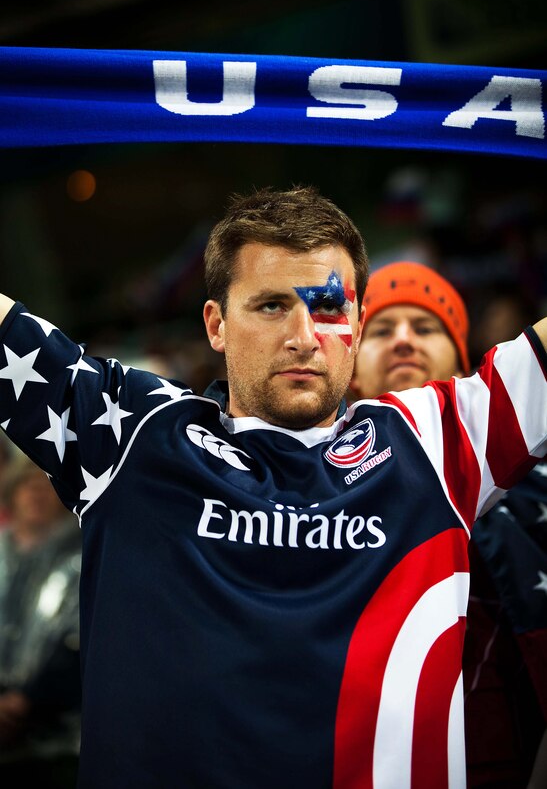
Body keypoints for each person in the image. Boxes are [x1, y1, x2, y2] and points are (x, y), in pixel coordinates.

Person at [0, 184, 545, 789]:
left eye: (330, 307)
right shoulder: (136, 433)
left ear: (359, 323)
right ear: (216, 325)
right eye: (270, 306)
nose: (305, 335)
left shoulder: (434, 440)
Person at [351, 260, 547, 789]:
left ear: (466, 363)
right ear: (347, 366)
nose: (405, 342)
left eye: (427, 326)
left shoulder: (539, 490)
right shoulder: (299, 500)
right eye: (382, 330)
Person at [0, 456, 81, 788]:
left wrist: (22, 702)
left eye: (45, 486)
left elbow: (79, 641)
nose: (35, 494)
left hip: (53, 737)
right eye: (27, 486)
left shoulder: (82, 555)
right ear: (12, 493)